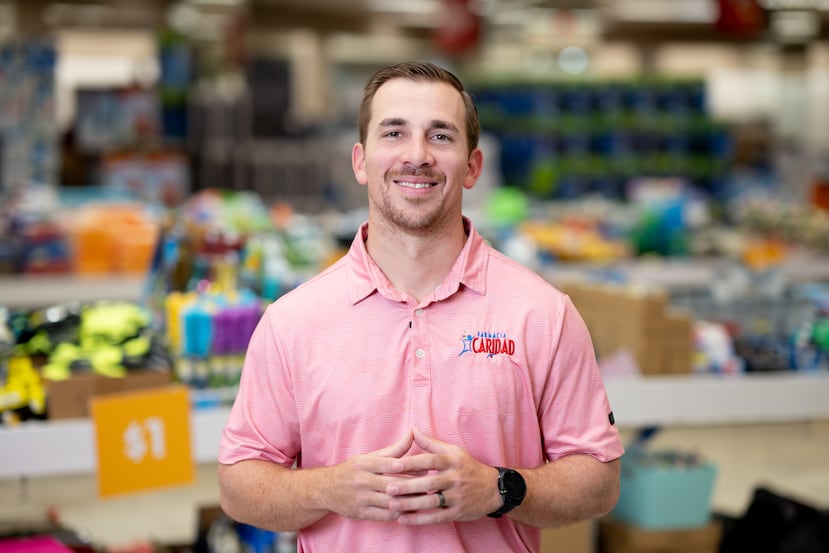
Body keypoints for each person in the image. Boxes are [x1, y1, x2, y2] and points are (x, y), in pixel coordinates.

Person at [217, 60, 624, 553]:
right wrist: (326, 488)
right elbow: (239, 485)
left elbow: (598, 481)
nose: (417, 155)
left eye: (441, 136)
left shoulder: (542, 313)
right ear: (361, 161)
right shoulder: (293, 321)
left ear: (472, 166)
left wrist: (499, 489)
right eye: (394, 133)